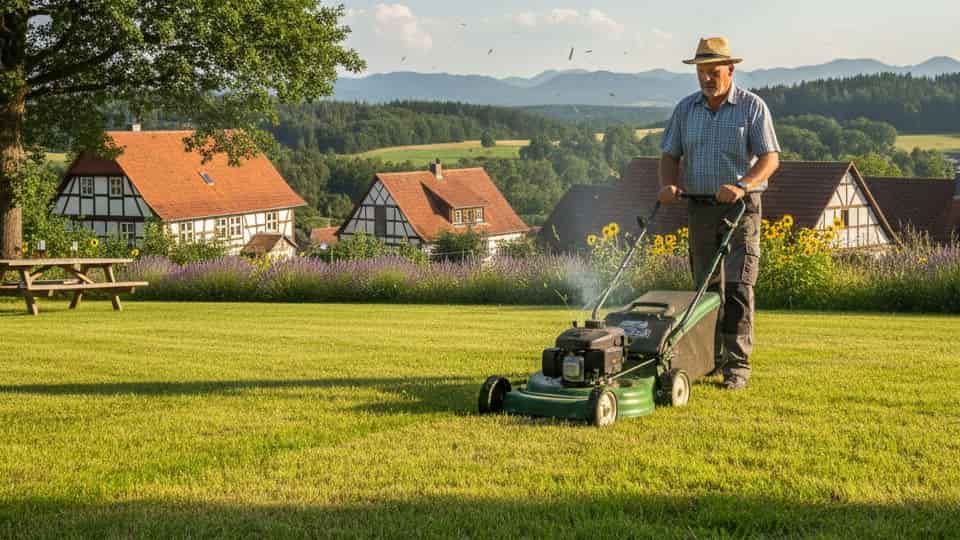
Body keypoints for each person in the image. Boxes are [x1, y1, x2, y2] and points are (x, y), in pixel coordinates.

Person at [657, 36, 781, 390]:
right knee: (705, 290)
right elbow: (669, 155)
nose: (707, 78)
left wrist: (742, 184)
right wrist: (667, 185)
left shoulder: (752, 108)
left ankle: (737, 366)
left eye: (714, 71)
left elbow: (770, 157)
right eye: (701, 72)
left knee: (739, 285)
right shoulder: (686, 110)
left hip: (741, 209)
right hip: (699, 209)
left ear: (731, 69)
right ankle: (708, 359)